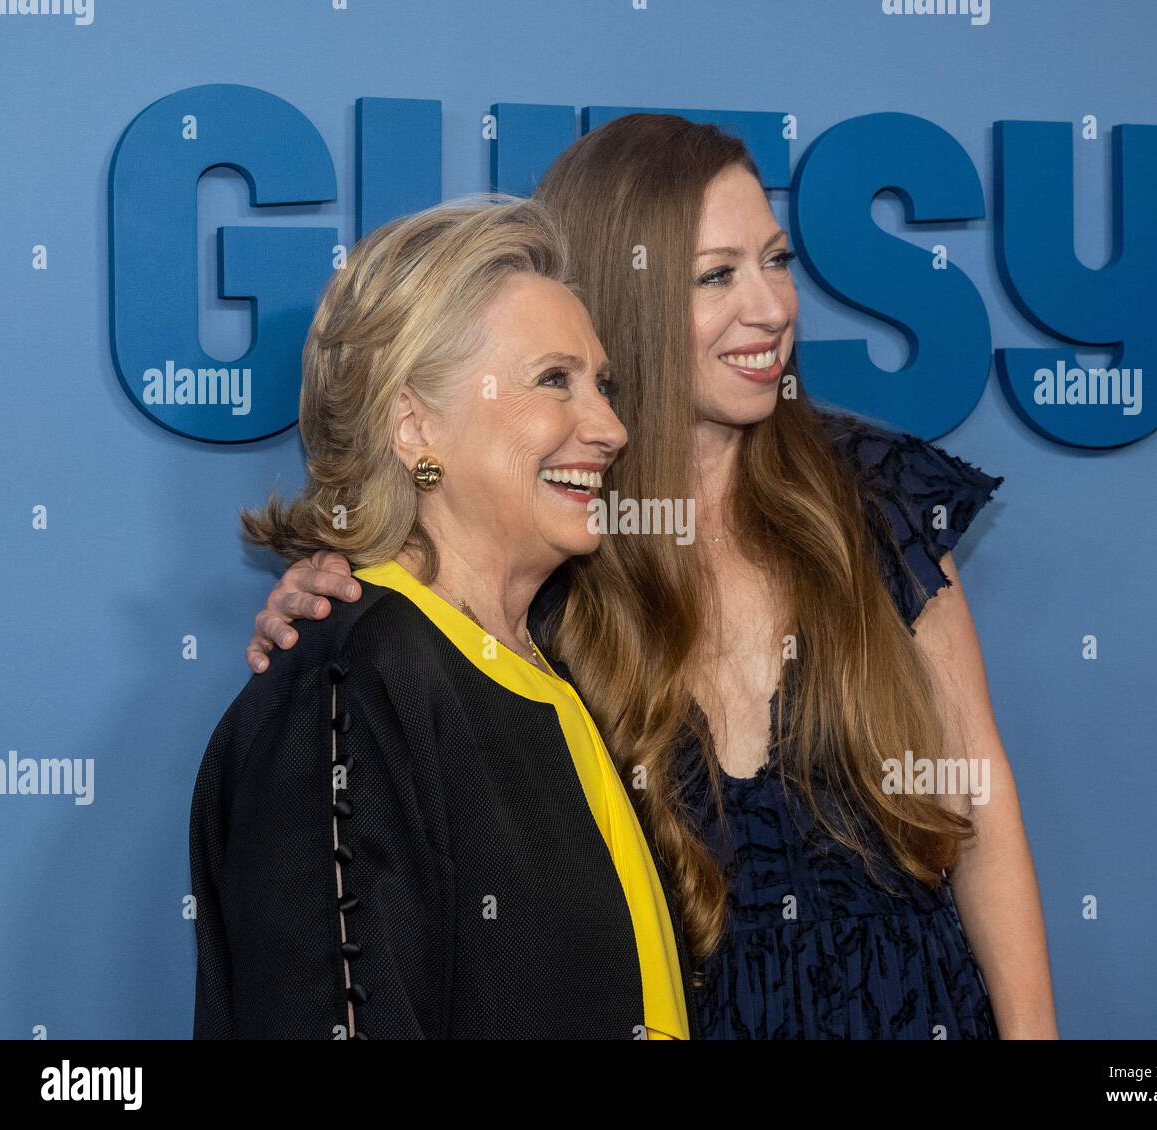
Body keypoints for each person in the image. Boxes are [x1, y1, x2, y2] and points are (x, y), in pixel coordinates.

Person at [245, 115, 1059, 1040]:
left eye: (777, 260)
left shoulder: (873, 499)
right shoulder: (558, 531)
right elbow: (414, 618)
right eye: (716, 276)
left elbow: (975, 794)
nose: (772, 308)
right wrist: (328, 594)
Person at [190, 196, 693, 1039]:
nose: (609, 427)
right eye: (553, 381)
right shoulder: (348, 679)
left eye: (602, 386)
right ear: (414, 425)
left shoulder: (546, 669)